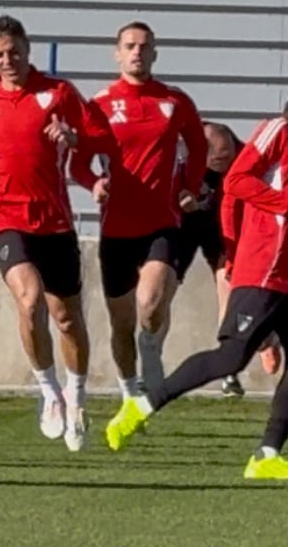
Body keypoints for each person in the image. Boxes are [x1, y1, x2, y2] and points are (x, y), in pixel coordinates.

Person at [105, 63, 288, 482]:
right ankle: (143, 404)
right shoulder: (281, 131)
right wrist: (287, 206)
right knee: (231, 357)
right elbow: (237, 181)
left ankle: (266, 455)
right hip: (265, 273)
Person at [0, 15, 118, 452]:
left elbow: (100, 136)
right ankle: (48, 393)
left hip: (54, 220)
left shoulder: (58, 92)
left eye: (14, 52)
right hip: (6, 217)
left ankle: (77, 395)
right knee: (29, 302)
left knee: (66, 317)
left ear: (27, 49)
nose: (7, 62)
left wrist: (72, 137)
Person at [69, 21, 206, 400]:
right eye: (129, 46)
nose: (137, 52)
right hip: (116, 228)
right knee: (121, 321)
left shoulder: (174, 101)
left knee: (150, 302)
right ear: (117, 53)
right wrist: (94, 182)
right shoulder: (99, 105)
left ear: (155, 53)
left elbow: (197, 146)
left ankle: (152, 347)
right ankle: (130, 390)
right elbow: (78, 162)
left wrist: (190, 189)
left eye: (144, 46)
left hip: (161, 222)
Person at [172, 122, 281, 398]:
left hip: (226, 227)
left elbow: (239, 207)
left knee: (228, 289)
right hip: (186, 224)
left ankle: (233, 368)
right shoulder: (184, 156)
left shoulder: (248, 159)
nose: (221, 166)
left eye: (226, 160)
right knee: (160, 290)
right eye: (215, 164)